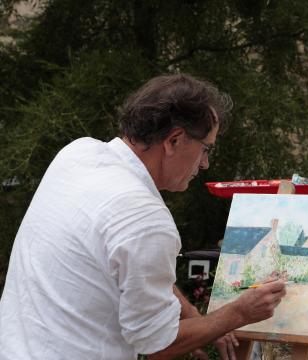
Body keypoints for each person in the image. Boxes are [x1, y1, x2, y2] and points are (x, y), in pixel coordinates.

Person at [0, 74, 287, 360]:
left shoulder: (77, 154)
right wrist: (236, 313)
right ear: (174, 140)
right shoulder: (145, 218)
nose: (205, 163)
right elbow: (157, 345)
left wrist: (196, 319)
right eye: (205, 148)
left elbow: (131, 270)